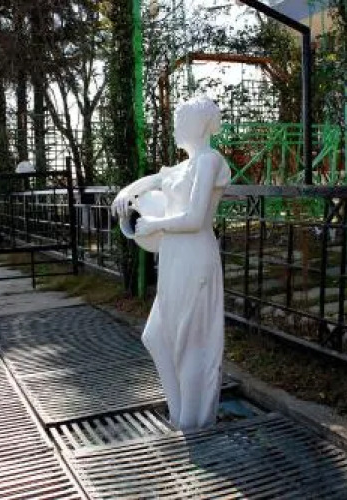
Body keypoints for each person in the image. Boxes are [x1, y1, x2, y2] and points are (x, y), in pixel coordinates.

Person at [111, 95, 231, 431]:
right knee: (157, 337)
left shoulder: (209, 160)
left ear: (199, 124)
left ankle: (193, 422)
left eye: (181, 120)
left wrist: (155, 224)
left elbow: (195, 218)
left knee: (190, 343)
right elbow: (154, 181)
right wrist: (126, 192)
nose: (175, 127)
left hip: (194, 255)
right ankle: (179, 414)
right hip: (174, 255)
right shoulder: (184, 167)